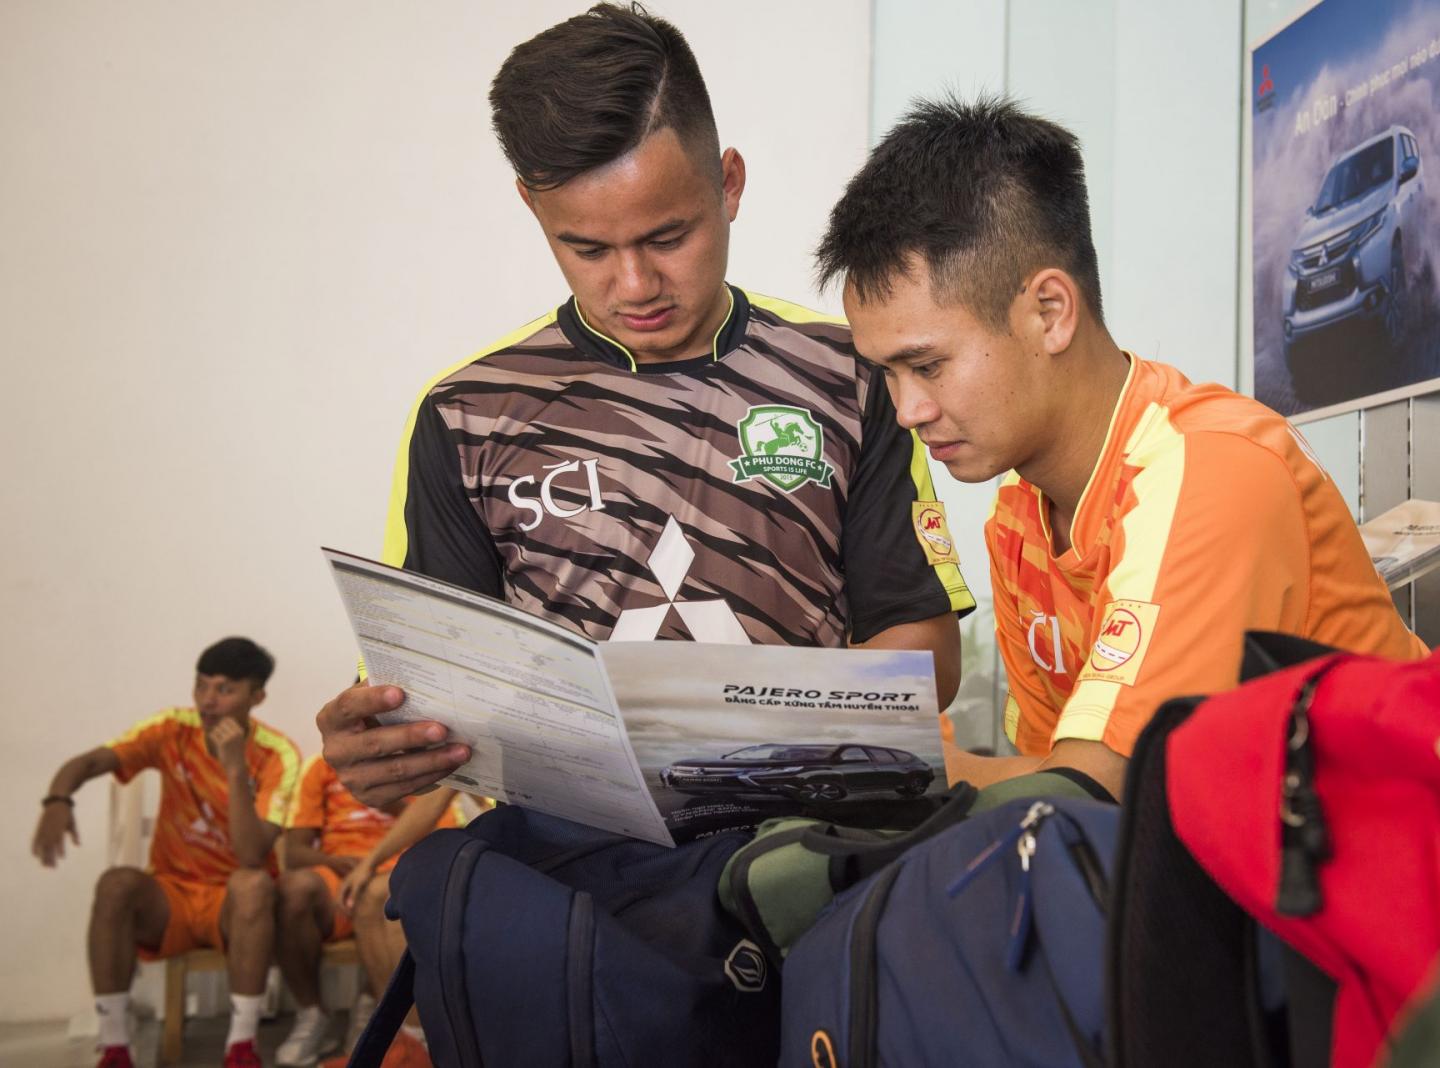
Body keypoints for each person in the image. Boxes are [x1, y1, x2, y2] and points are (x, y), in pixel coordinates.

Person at [317, 2, 972, 807]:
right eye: (587, 248)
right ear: (532, 208)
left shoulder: (849, 374)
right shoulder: (465, 414)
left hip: (799, 835)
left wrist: (726, 733)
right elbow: (428, 706)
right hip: (563, 850)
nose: (634, 285)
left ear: (729, 184)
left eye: (667, 237)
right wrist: (384, 757)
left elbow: (925, 655)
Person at [816, 97, 1428, 798]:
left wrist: (879, 764)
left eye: (927, 366)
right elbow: (1050, 787)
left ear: (1050, 313)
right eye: (887, 375)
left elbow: (1094, 793)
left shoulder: (1212, 470)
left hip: (1400, 845)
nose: (908, 411)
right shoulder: (1017, 518)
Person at [31, 637, 300, 1068]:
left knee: (252, 885)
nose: (208, 700)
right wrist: (57, 800)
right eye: (201, 685)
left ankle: (241, 1047)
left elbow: (252, 856)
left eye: (225, 689)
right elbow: (89, 762)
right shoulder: (172, 728)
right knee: (116, 884)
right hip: (171, 895)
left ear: (257, 697)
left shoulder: (278, 754)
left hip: (234, 906)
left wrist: (235, 769)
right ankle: (115, 1047)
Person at [272, 759, 460, 1067]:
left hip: (407, 870)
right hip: (345, 877)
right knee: (363, 895)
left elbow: (445, 826)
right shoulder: (324, 766)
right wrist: (352, 864)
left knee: (390, 897)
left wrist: (391, 806)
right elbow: (294, 852)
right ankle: (395, 1036)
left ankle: (410, 1040)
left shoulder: (428, 759)